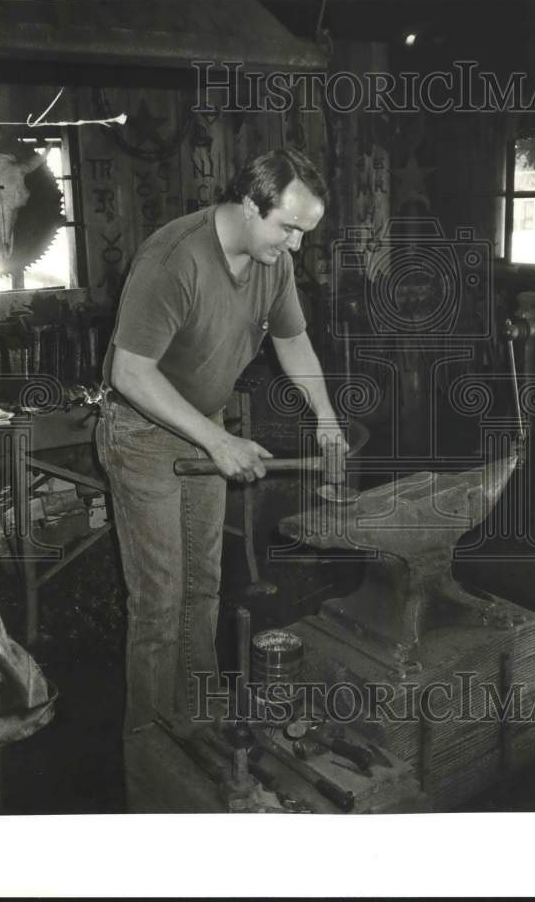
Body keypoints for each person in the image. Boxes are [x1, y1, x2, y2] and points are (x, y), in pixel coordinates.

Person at [97, 148, 345, 755]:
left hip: (205, 424)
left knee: (203, 587)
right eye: (289, 228)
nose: (295, 246)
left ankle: (197, 724)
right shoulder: (173, 258)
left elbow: (294, 343)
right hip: (142, 432)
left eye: (304, 234)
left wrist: (327, 420)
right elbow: (131, 373)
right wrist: (218, 440)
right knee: (160, 600)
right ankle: (149, 746)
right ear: (248, 203)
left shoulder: (273, 263)